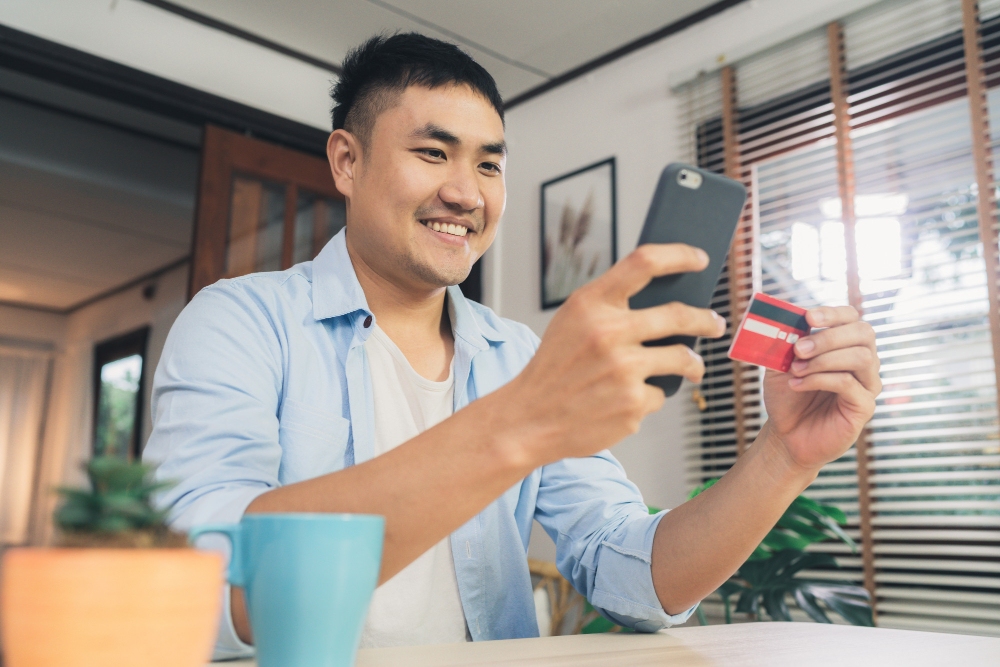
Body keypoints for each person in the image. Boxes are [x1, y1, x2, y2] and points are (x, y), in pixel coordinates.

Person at [144, 33, 881, 659]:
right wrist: (522, 420)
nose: (468, 192)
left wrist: (783, 456)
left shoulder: (520, 355)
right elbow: (203, 587)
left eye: (490, 165)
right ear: (347, 161)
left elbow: (635, 575)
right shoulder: (237, 322)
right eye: (434, 153)